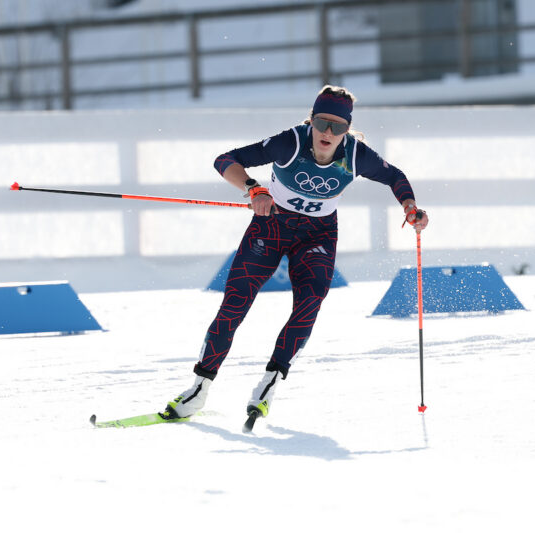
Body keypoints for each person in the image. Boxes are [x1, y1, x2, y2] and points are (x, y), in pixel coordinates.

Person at [162, 85, 429, 428]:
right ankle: (198, 389)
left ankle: (269, 384)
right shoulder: (292, 141)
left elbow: (394, 176)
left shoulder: (356, 155)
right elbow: (225, 161)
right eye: (321, 123)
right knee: (235, 302)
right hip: (270, 227)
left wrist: (410, 208)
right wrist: (253, 189)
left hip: (318, 235)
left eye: (338, 126)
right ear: (311, 120)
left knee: (310, 302)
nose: (328, 133)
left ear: (347, 129)